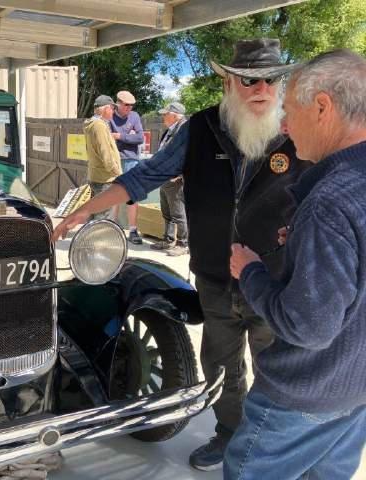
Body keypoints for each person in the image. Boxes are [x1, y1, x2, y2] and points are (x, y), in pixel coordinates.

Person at [52, 39, 310, 471]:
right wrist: (84, 211)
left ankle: (267, 449)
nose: (261, 89)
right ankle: (229, 435)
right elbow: (146, 175)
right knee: (220, 364)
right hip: (214, 276)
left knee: (275, 370)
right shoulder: (200, 128)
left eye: (271, 79)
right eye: (249, 80)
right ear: (229, 82)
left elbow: (328, 189)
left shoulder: (296, 128)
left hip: (274, 278)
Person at [226, 49, 366, 480]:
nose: (284, 125)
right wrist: (310, 247)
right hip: (356, 391)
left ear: (322, 107)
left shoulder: (329, 204)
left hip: (304, 394)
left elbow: (309, 327)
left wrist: (251, 271)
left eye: (289, 110)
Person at [152, 102, 189, 256]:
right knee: (167, 210)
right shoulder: (171, 130)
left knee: (178, 213)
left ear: (174, 115)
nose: (163, 117)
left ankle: (183, 243)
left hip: (175, 179)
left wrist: (179, 173)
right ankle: (168, 239)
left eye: (166, 114)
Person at [110, 90, 144, 244]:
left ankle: (133, 230)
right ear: (118, 103)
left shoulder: (135, 116)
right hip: (115, 160)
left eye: (131, 105)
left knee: (132, 196)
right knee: (113, 194)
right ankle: (111, 226)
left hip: (131, 160)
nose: (129, 108)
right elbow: (107, 138)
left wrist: (120, 136)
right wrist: (129, 136)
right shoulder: (110, 116)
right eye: (126, 105)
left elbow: (140, 137)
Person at [84, 95, 121, 221]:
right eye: (112, 108)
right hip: (105, 178)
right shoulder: (99, 125)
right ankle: (97, 234)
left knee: (93, 214)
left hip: (96, 175)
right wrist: (117, 173)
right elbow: (106, 153)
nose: (113, 112)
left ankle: (90, 234)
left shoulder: (92, 123)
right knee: (102, 216)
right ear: (106, 109)